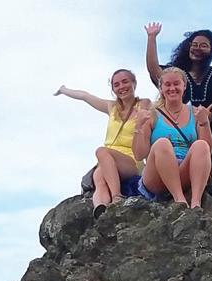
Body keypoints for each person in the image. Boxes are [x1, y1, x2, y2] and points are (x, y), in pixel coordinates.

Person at [144, 23, 212, 193]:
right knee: (172, 184)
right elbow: (154, 70)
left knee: (209, 190)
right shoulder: (177, 74)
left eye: (204, 45)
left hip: (211, 132)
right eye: (194, 44)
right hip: (177, 133)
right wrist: (151, 38)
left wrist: (211, 114)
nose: (198, 48)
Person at [54, 70, 150, 218]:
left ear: (134, 83)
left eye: (125, 82)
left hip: (131, 159)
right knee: (99, 177)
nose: (121, 87)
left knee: (101, 151)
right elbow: (85, 96)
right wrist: (63, 90)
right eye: (116, 84)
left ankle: (117, 197)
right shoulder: (112, 107)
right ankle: (101, 208)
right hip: (107, 161)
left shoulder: (143, 104)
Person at [132, 67, 212, 208]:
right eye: (167, 85)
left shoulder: (195, 113)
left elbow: (207, 149)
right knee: (162, 143)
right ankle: (179, 200)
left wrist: (204, 122)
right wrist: (138, 127)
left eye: (176, 84)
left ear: (184, 85)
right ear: (161, 88)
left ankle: (196, 202)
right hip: (157, 175)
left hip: (184, 170)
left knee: (200, 145)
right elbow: (139, 155)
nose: (172, 88)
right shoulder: (152, 115)